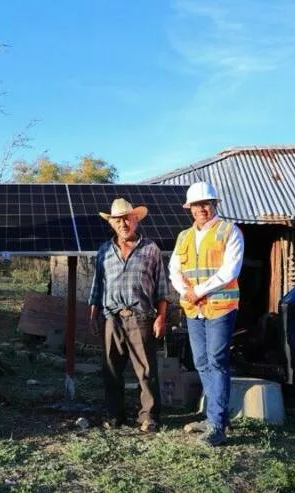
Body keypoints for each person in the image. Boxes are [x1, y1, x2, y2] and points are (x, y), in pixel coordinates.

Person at [169, 182, 244, 446]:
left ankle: (217, 424)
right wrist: (186, 292)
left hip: (220, 307)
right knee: (201, 361)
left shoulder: (229, 231)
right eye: (197, 204)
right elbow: (174, 270)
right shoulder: (184, 237)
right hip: (194, 308)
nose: (202, 208)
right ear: (189, 208)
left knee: (217, 361)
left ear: (215, 204)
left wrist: (198, 290)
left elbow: (230, 270)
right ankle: (215, 417)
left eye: (206, 203)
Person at [88, 198, 168, 433]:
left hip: (141, 316)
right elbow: (97, 286)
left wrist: (161, 317)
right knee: (111, 369)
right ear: (112, 223)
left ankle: (149, 416)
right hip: (112, 317)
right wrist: (93, 314)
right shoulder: (104, 250)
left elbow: (162, 287)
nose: (123, 223)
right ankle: (115, 415)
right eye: (118, 219)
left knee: (146, 370)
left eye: (128, 218)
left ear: (136, 220)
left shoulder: (150, 249)